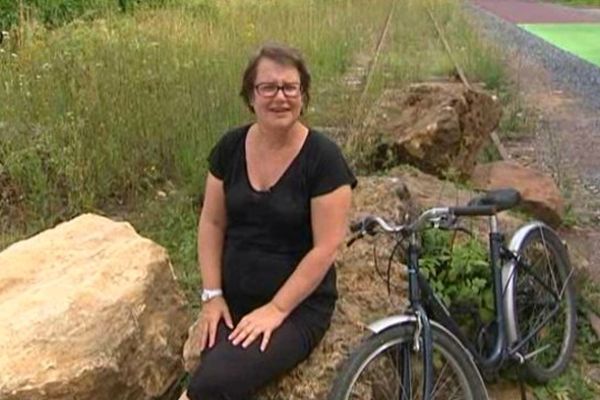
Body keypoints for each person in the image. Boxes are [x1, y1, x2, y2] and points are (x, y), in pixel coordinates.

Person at [185, 42, 357, 400]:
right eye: (268, 87)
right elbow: (212, 223)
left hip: (296, 308)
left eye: (290, 87)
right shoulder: (230, 148)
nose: (280, 97)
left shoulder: (324, 159)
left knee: (209, 384)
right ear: (251, 95)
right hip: (233, 299)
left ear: (303, 94)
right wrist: (212, 295)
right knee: (214, 367)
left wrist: (276, 310)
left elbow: (326, 249)